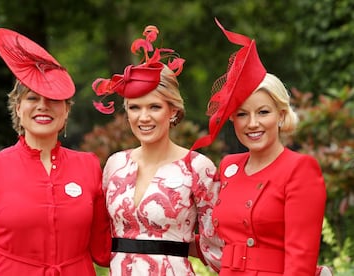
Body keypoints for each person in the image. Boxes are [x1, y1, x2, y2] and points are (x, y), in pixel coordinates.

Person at [0, 28, 111, 275]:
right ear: (17, 108)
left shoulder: (88, 166)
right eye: (32, 98)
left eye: (53, 100)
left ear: (67, 110)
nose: (43, 107)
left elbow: (105, 249)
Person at [191, 19, 330, 275]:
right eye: (242, 114)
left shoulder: (300, 168)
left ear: (280, 114)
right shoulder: (228, 166)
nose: (252, 123)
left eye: (263, 112)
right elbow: (218, 241)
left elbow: (301, 258)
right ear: (232, 118)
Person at [91, 25, 223, 275]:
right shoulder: (115, 165)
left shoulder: (197, 167)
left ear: (172, 111)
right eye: (134, 108)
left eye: (154, 107)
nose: (143, 117)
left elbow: (217, 245)